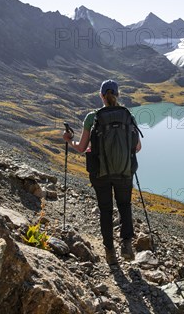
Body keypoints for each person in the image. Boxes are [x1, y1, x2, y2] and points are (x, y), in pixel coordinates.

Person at [63, 79, 142, 265]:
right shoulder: (128, 115)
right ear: (118, 95)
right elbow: (137, 147)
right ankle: (127, 244)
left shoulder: (93, 117)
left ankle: (110, 252)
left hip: (100, 173)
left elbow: (82, 147)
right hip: (124, 171)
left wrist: (69, 141)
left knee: (105, 210)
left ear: (101, 95)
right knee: (125, 206)